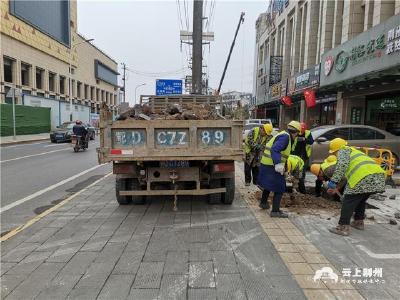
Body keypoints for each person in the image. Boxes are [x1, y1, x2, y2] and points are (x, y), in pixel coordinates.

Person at [326, 138, 386, 236]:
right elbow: (346, 174)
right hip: (378, 177)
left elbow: (341, 166)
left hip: (363, 178)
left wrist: (333, 181)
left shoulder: (343, 151)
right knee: (360, 199)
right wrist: (337, 186)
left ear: (336, 150)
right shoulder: (355, 152)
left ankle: (343, 227)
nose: (335, 154)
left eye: (334, 153)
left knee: (348, 202)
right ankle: (359, 222)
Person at [257, 120, 301, 217]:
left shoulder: (283, 134)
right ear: (296, 132)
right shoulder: (286, 137)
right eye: (297, 134)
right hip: (272, 165)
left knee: (268, 185)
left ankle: (263, 203)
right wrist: (278, 164)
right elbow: (275, 149)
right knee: (280, 188)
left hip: (267, 164)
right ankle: (275, 211)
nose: (296, 137)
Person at [291, 122, 314, 193]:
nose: (301, 132)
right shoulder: (295, 132)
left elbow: (311, 142)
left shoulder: (308, 133)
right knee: (293, 171)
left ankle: (302, 189)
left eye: (302, 130)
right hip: (295, 154)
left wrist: (304, 139)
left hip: (304, 155)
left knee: (302, 172)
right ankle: (293, 187)